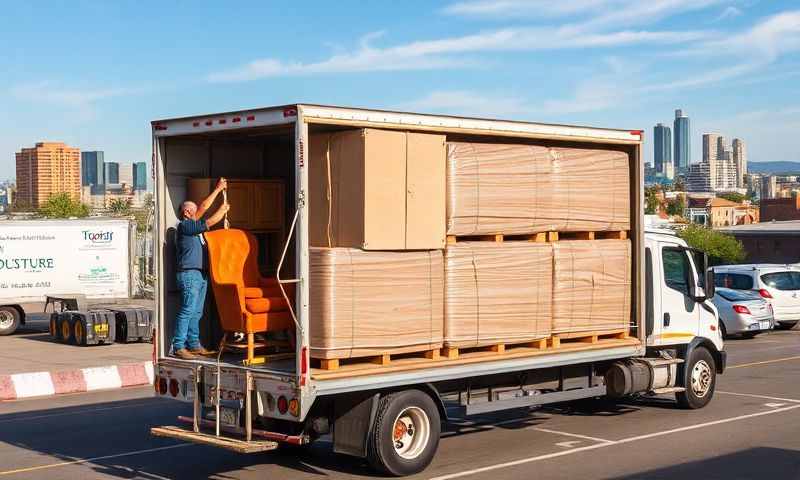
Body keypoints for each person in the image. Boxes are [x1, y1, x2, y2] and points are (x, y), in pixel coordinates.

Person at [172, 178, 230, 359]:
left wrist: (218, 190)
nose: (199, 211)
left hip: (199, 274)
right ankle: (179, 346)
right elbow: (209, 218)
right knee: (188, 309)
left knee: (196, 312)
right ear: (188, 212)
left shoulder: (194, 229)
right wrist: (222, 209)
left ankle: (194, 344)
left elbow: (204, 207)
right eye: (195, 210)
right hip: (190, 274)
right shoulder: (186, 226)